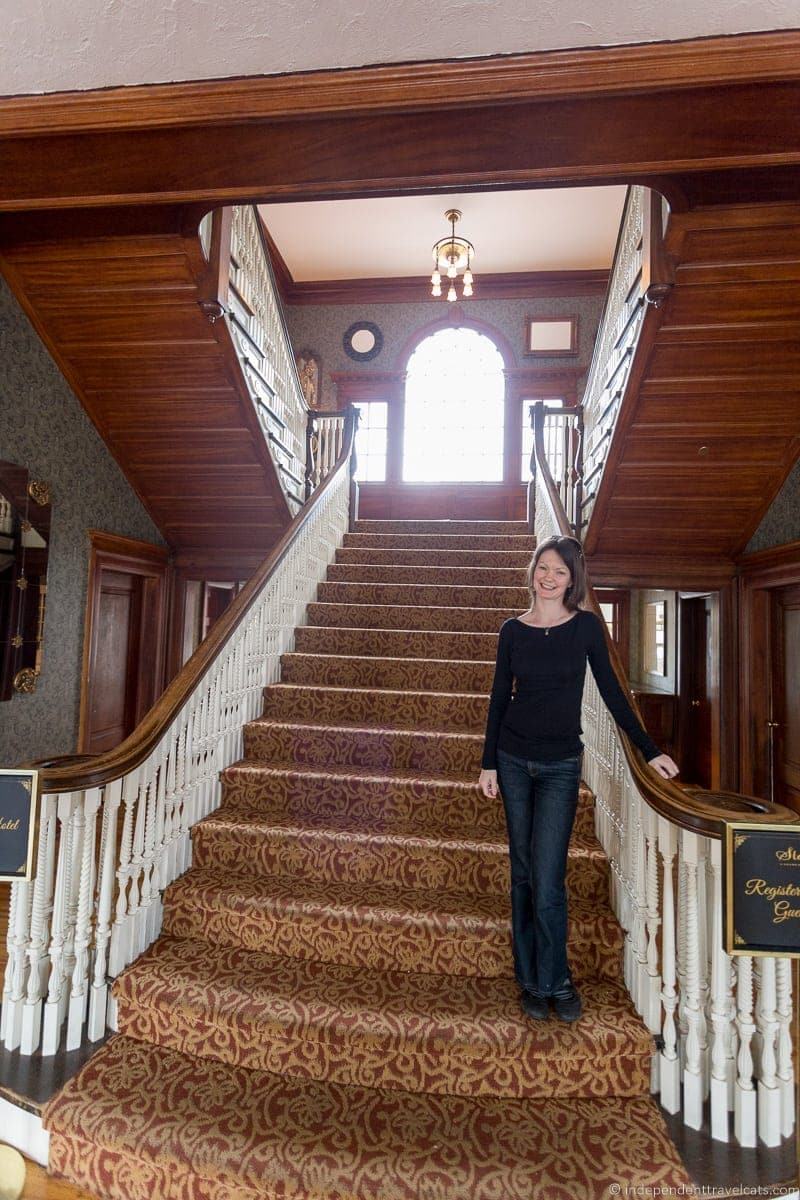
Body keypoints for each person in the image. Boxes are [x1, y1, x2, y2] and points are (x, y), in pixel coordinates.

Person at [478, 534, 679, 1024]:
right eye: (543, 568)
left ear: (572, 580)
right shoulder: (512, 630)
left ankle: (557, 979)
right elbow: (499, 697)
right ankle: (530, 979)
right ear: (533, 571)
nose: (549, 577)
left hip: (560, 766)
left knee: (548, 878)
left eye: (560, 572)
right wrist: (487, 764)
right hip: (512, 758)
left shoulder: (586, 628)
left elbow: (613, 694)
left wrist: (649, 751)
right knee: (523, 874)